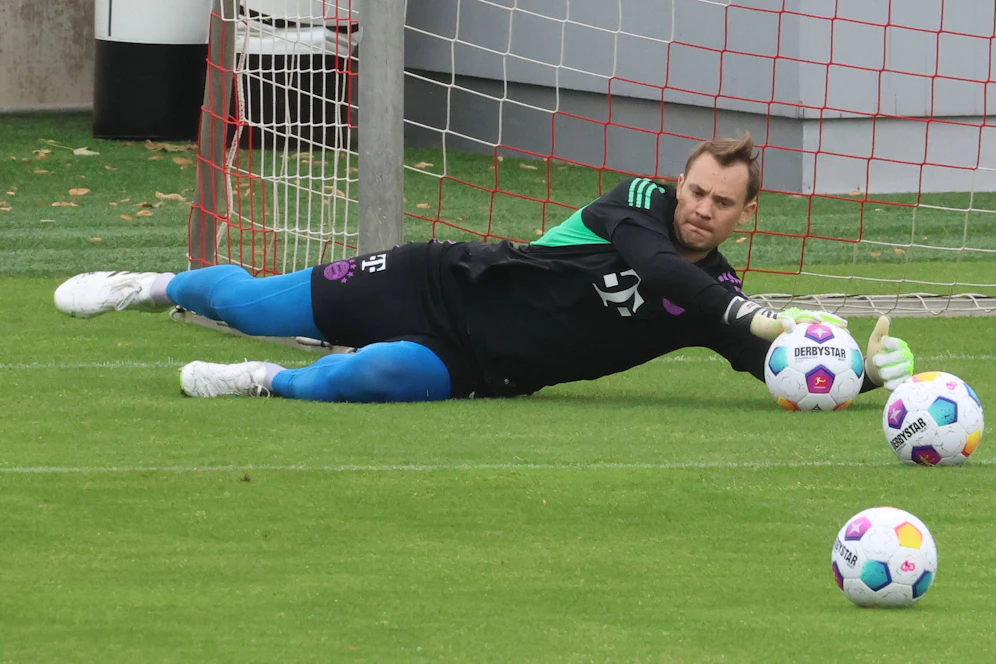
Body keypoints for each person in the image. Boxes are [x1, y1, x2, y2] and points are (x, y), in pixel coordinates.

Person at [54, 133, 915, 403]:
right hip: (437, 278)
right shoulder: (634, 204)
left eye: (721, 204)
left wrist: (866, 376)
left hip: (481, 361)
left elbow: (772, 361)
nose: (700, 209)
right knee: (250, 301)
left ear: (743, 214)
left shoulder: (720, 298)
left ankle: (262, 382)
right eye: (697, 191)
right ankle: (153, 287)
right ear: (680, 181)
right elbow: (663, 273)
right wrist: (752, 314)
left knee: (378, 378)